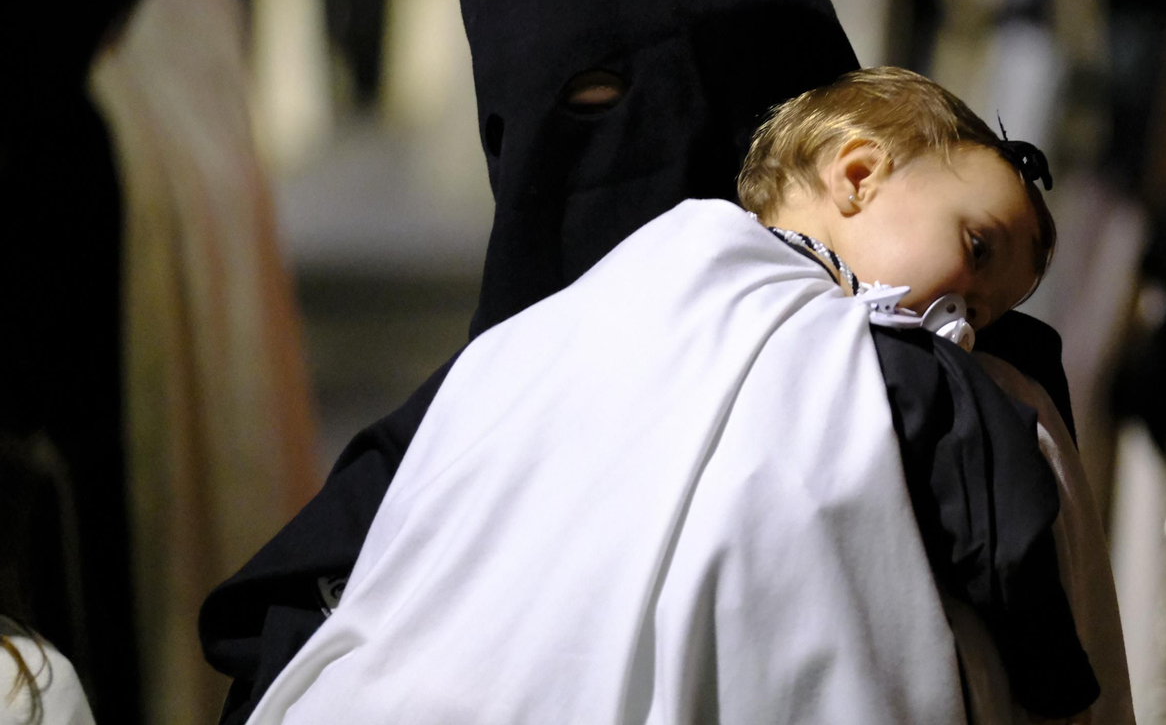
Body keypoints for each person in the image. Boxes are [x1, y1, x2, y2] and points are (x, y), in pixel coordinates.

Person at [237, 66, 1108, 723]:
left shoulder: (608, 287)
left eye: (987, 314)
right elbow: (997, 516)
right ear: (856, 175)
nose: (964, 320)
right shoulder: (889, 367)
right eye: (976, 249)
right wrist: (1056, 676)